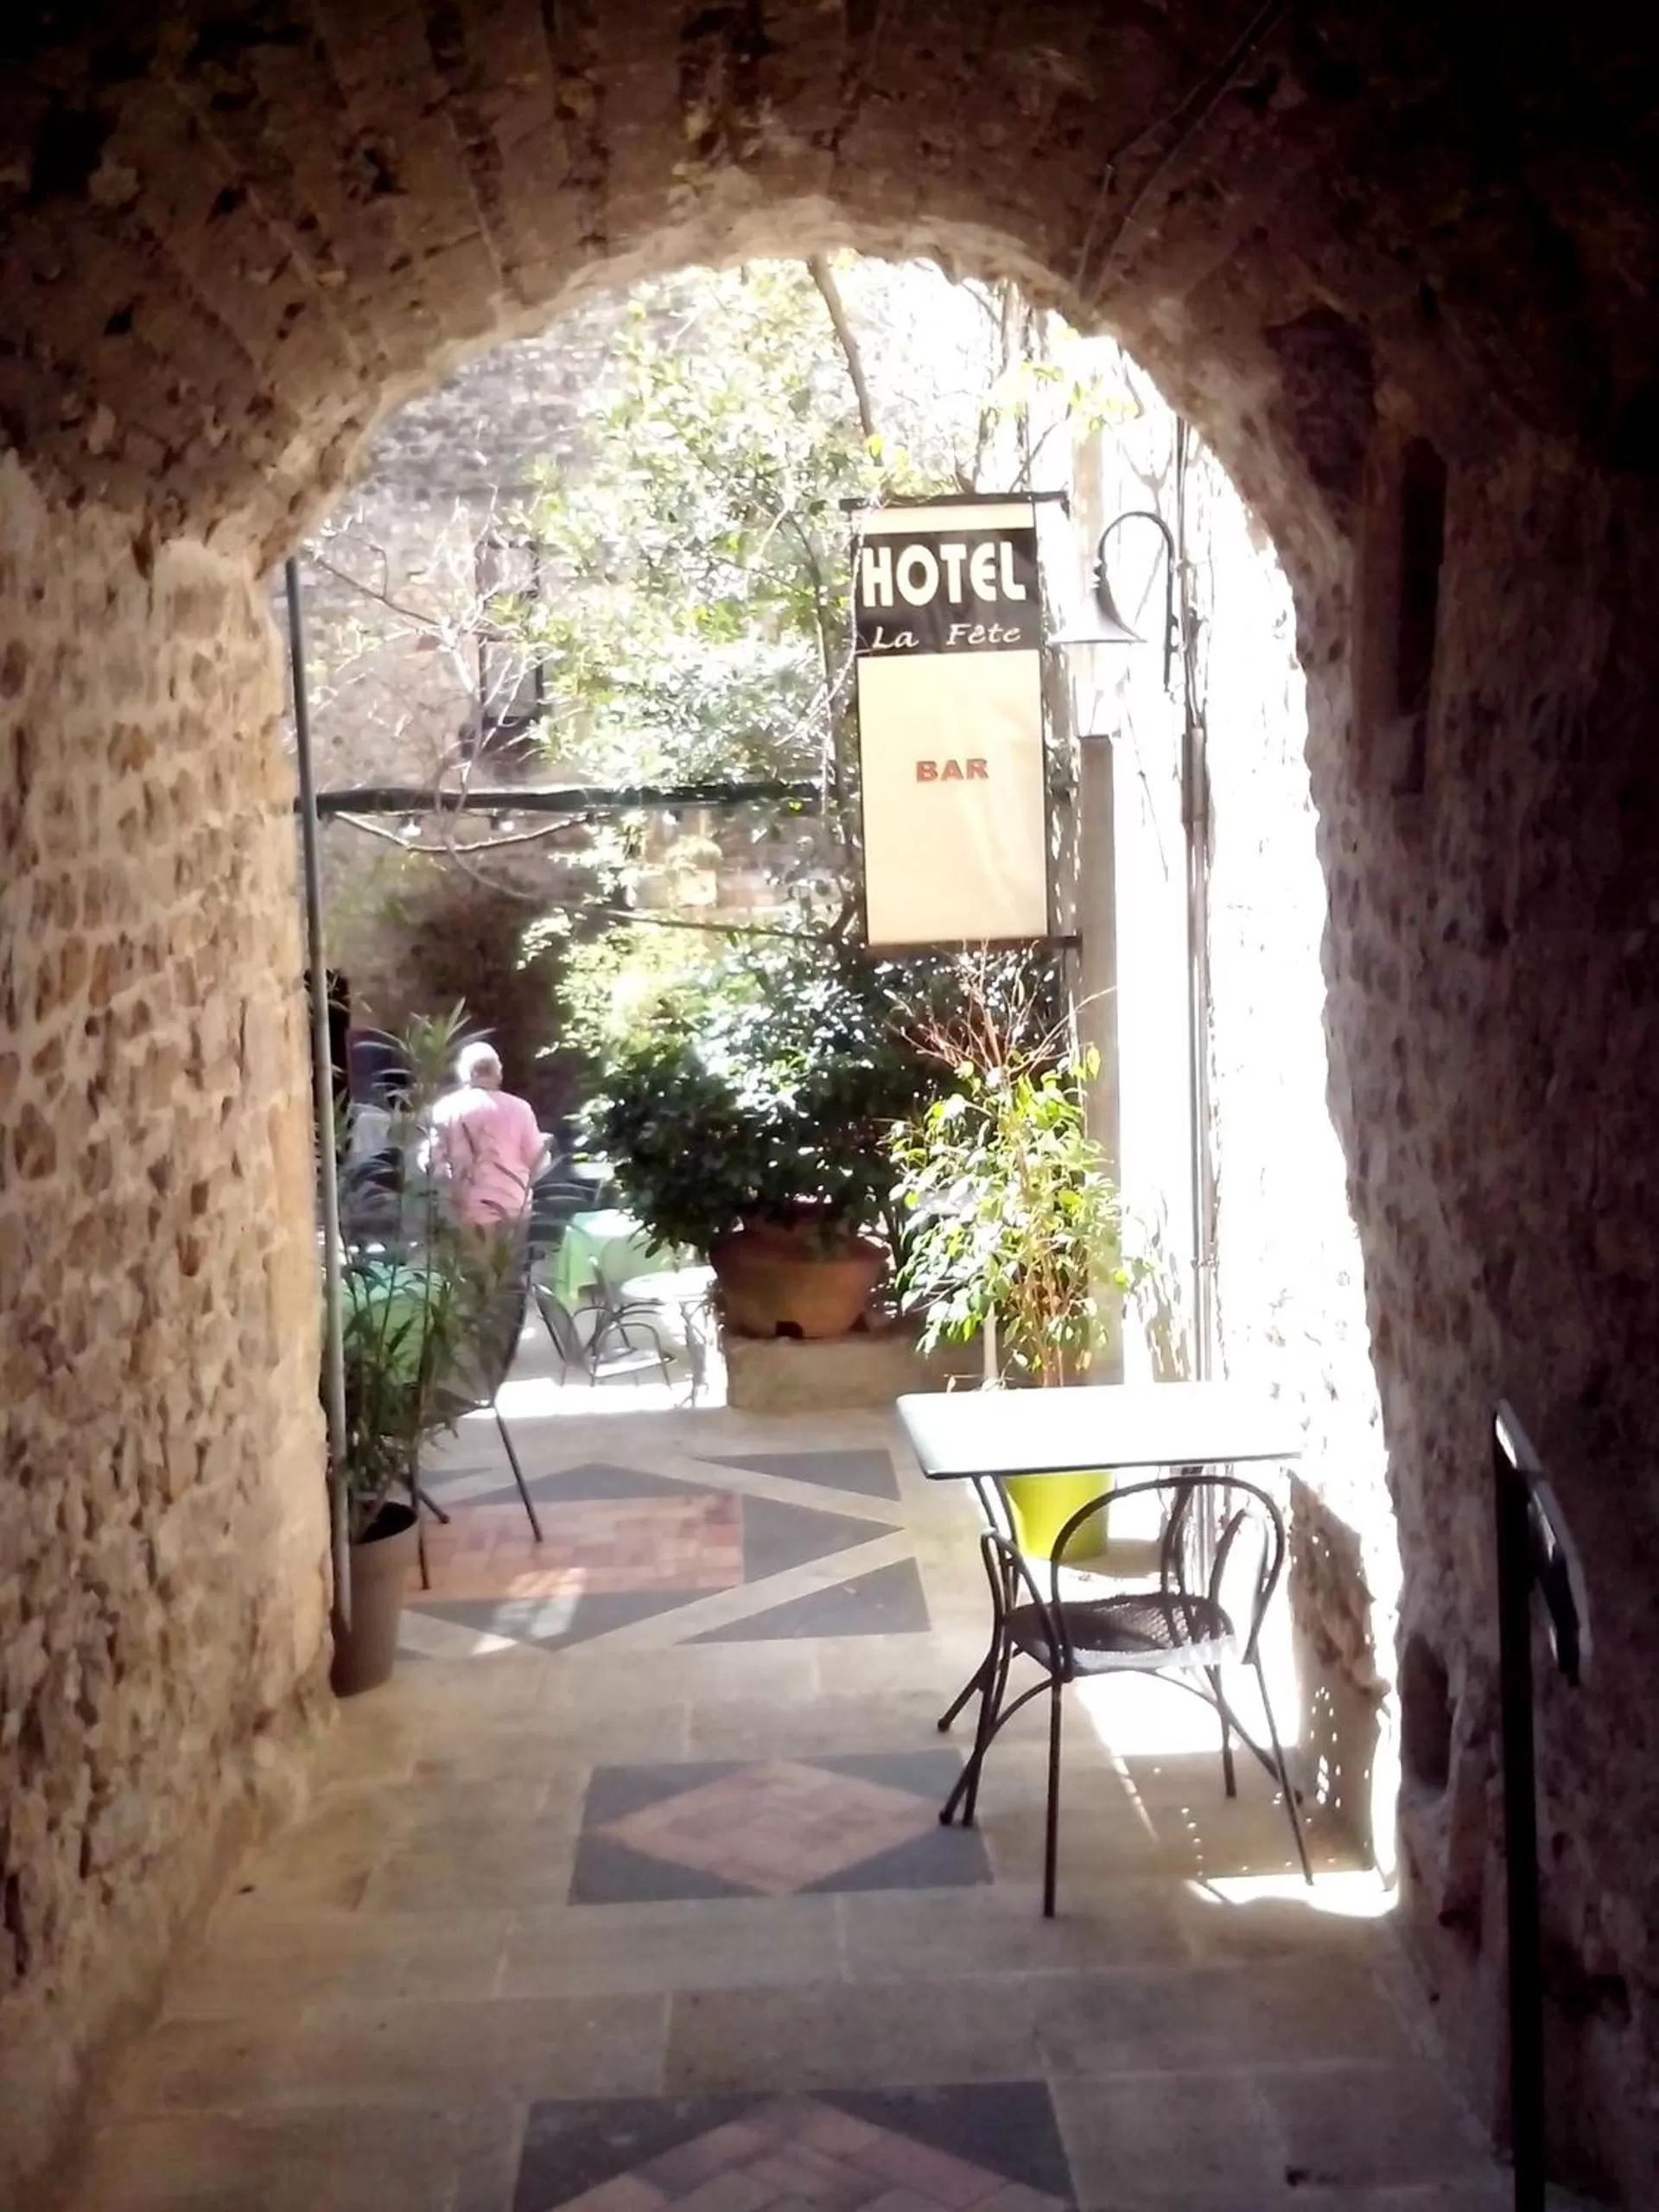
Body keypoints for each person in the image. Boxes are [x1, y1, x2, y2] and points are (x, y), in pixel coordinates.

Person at [426, 1041, 548, 1236]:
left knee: (466, 1265)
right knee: (509, 1265)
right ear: (498, 1072)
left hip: (463, 1211)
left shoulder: (445, 1108)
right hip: (512, 1208)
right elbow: (537, 1160)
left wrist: (450, 1190)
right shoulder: (521, 1108)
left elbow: (431, 1163)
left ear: (463, 1072)